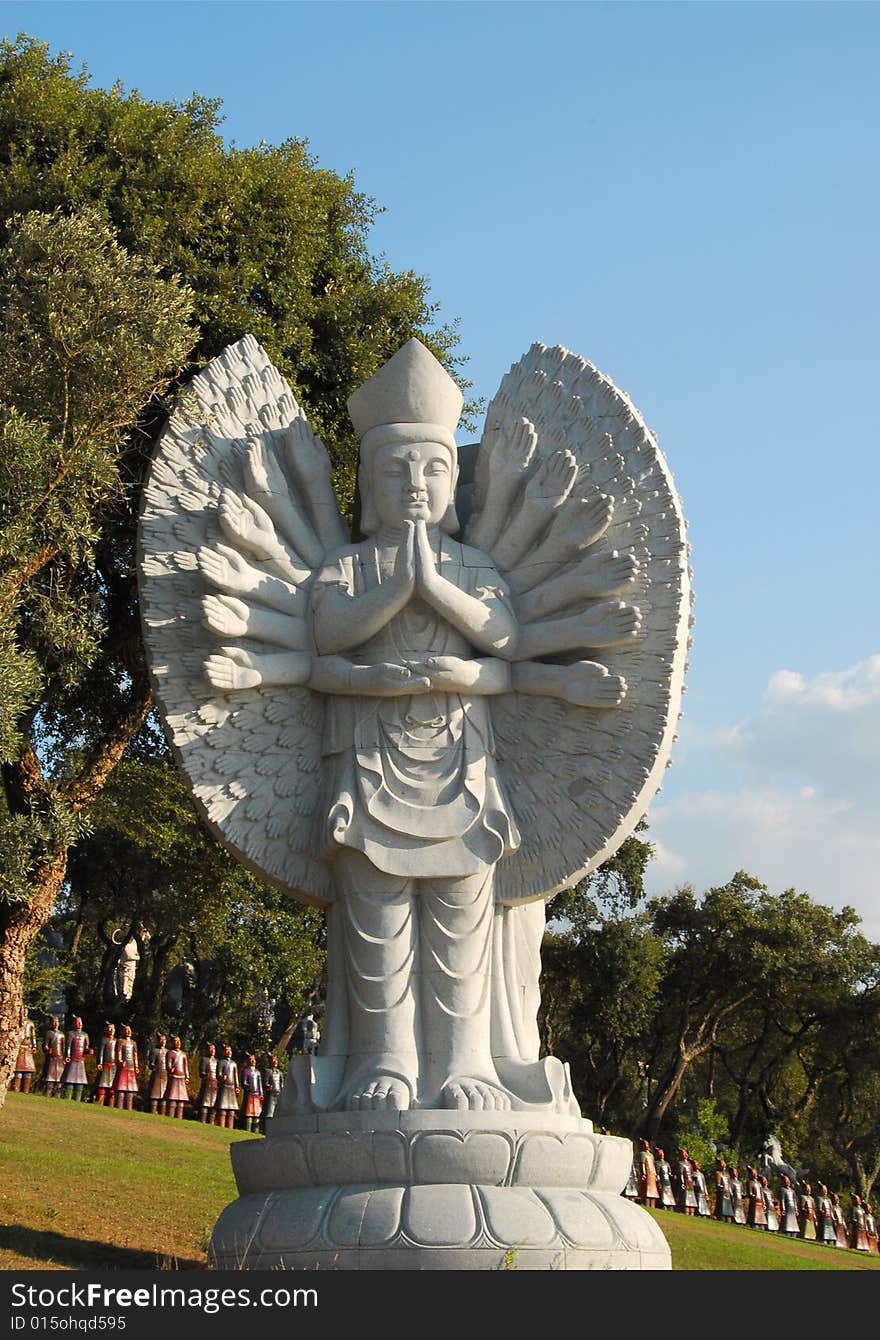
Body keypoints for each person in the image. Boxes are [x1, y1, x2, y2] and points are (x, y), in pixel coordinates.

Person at [60, 1016, 90, 1100]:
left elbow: (86, 1047)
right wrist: (67, 1056)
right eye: (77, 1022)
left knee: (80, 1080)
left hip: (81, 1060)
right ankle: (67, 1097)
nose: (79, 1024)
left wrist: (89, 1051)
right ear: (74, 1024)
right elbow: (68, 1047)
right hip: (73, 1059)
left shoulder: (85, 1035)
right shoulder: (71, 1034)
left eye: (80, 1022)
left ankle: (78, 1098)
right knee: (69, 1078)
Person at [112, 1025, 139, 1110]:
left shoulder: (133, 1043)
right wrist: (119, 1061)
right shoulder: (120, 1041)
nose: (128, 1032)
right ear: (123, 1032)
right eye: (126, 1030)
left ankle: (129, 1109)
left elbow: (135, 1055)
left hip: (131, 1067)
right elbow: (118, 1052)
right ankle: (119, 1107)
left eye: (129, 1030)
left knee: (130, 1090)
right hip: (123, 1067)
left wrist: (136, 1066)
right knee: (120, 1088)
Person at [164, 1036, 190, 1119]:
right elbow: (168, 1064)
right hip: (174, 1077)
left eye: (179, 1041)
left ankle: (179, 1117)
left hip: (181, 1077)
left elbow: (185, 1066)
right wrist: (170, 1068)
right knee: (172, 1097)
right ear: (172, 1043)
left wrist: (187, 1076)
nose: (178, 1043)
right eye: (176, 1041)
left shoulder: (183, 1054)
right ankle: (170, 1116)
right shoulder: (170, 1053)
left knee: (181, 1099)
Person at [10, 1014, 37, 1093]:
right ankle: (16, 1090)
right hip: (19, 1048)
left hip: (27, 1049)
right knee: (18, 1072)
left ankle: (26, 1091)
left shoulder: (30, 1023)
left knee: (28, 1072)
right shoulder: (16, 1022)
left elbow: (33, 1035)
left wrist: (34, 1046)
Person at [215, 1045, 240, 1129]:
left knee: (231, 1109)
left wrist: (237, 1087)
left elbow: (236, 1076)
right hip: (224, 1087)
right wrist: (221, 1077)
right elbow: (218, 1074)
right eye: (227, 1050)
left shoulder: (234, 1063)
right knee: (223, 1107)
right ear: (224, 1052)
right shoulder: (221, 1062)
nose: (229, 1052)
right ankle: (221, 1126)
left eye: (230, 1050)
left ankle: (230, 1127)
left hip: (232, 1088)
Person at [41, 1015, 66, 1097]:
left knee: (59, 1079)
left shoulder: (62, 1035)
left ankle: (57, 1095)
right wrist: (47, 1049)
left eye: (57, 1022)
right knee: (49, 1078)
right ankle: (47, 1094)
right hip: (51, 1059)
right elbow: (45, 1045)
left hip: (59, 1059)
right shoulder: (48, 1033)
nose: (56, 1024)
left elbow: (63, 1047)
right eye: (54, 1022)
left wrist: (65, 1057)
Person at [93, 1022, 117, 1106]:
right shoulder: (104, 1040)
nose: (111, 1030)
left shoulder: (116, 1041)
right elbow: (101, 1053)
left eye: (113, 1028)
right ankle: (100, 1103)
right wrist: (99, 1062)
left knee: (112, 1087)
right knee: (102, 1085)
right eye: (109, 1028)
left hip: (114, 1066)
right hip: (105, 1065)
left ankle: (110, 1105)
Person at [147, 1033, 169, 1115]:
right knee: (154, 1094)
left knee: (164, 1096)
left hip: (165, 1076)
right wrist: (154, 1067)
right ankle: (152, 1111)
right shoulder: (154, 1050)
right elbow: (151, 1063)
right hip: (156, 1075)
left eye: (164, 1040)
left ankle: (162, 1113)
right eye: (161, 1040)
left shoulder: (167, 1052)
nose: (163, 1041)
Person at [197, 1044, 219, 1124]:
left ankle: (211, 1121)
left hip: (215, 1084)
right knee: (205, 1102)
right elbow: (201, 1071)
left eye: (214, 1049)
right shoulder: (204, 1059)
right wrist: (205, 1075)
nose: (213, 1050)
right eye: (211, 1049)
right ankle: (202, 1120)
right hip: (207, 1084)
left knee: (213, 1103)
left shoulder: (217, 1061)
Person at [241, 1055, 263, 1132]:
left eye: (254, 1060)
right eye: (251, 1060)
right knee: (249, 1113)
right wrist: (248, 1086)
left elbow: (259, 1084)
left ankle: (255, 1131)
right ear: (248, 1061)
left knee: (257, 1113)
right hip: (249, 1094)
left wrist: (261, 1094)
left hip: (257, 1095)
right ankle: (248, 1129)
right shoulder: (246, 1071)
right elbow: (244, 1082)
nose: (253, 1061)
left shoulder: (258, 1072)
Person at [637, 1138, 659, 1207]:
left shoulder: (651, 1155)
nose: (647, 1146)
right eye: (645, 1144)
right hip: (647, 1174)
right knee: (646, 1190)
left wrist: (655, 1175)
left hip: (652, 1174)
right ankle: (646, 1204)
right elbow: (642, 1164)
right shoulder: (642, 1154)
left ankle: (652, 1206)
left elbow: (653, 1165)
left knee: (653, 1192)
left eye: (647, 1144)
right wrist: (644, 1173)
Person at [262, 1055, 283, 1125]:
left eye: (276, 1060)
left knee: (277, 1112)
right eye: (273, 1060)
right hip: (271, 1094)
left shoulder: (280, 1073)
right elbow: (265, 1082)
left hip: (278, 1093)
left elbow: (282, 1082)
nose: (275, 1062)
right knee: (269, 1111)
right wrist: (268, 1086)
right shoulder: (268, 1071)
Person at [674, 1148, 696, 1215]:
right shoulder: (680, 1163)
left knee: (691, 1200)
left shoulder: (689, 1164)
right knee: (685, 1199)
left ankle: (692, 1213)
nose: (685, 1154)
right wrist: (682, 1182)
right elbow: (680, 1174)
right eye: (683, 1153)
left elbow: (692, 1174)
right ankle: (685, 1212)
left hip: (690, 1183)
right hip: (685, 1183)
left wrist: (693, 1181)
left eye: (686, 1153)